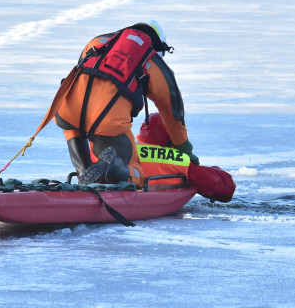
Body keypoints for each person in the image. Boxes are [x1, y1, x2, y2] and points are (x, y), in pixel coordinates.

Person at [52, 22, 198, 185]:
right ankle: (114, 168)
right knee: (135, 176)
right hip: (107, 120)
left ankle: (84, 179)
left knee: (88, 176)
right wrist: (184, 149)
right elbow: (173, 111)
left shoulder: (98, 42)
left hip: (66, 110)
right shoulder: (152, 61)